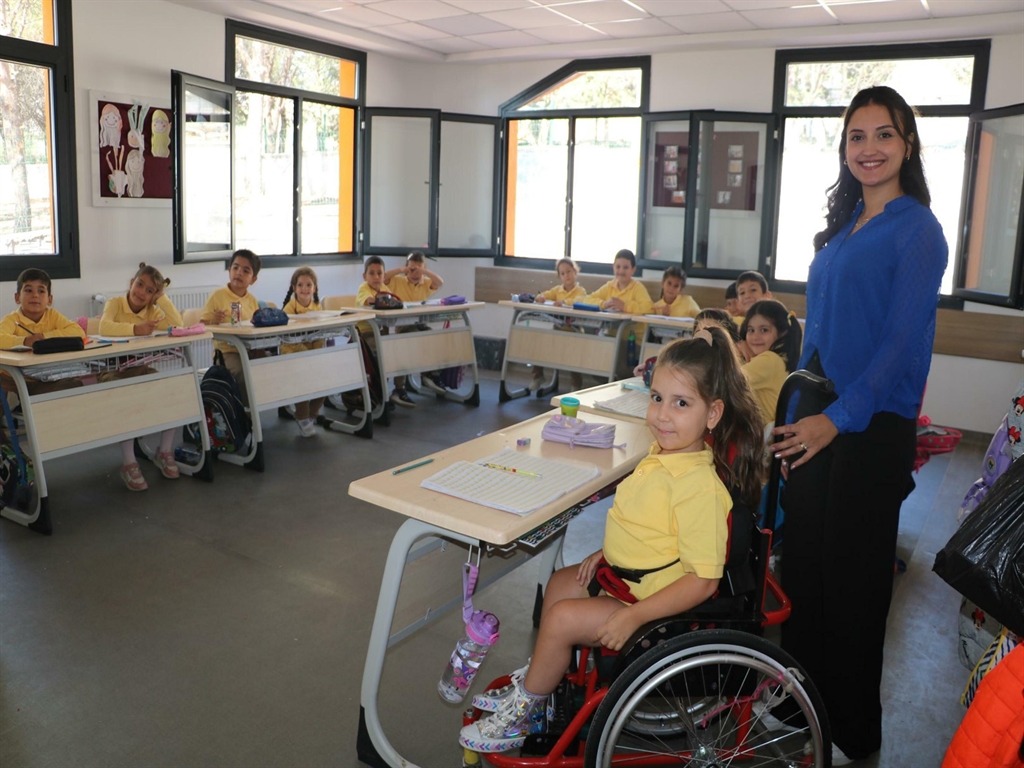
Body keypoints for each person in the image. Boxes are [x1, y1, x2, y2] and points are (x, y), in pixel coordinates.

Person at [459, 327, 765, 754]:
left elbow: (702, 581)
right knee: (562, 583)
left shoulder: (698, 488)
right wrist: (608, 551)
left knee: (561, 618)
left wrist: (634, 617)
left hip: (655, 607)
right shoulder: (665, 456)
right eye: (657, 398)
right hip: (628, 579)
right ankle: (542, 682)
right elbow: (651, 526)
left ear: (713, 414)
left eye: (681, 403)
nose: (662, 415)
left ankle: (525, 709)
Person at [771, 85, 948, 766]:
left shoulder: (918, 229)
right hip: (819, 414)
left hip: (870, 425)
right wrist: (798, 413)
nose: (869, 148)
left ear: (908, 145)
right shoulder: (845, 227)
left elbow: (900, 343)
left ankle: (853, 729)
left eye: (884, 134)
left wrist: (836, 421)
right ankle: (797, 704)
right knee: (804, 566)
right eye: (856, 136)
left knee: (853, 581)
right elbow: (818, 331)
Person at [99, 263, 184, 490]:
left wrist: (161, 298)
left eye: (149, 291)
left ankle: (164, 451)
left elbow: (178, 325)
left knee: (172, 391)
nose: (141, 292)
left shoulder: (153, 311)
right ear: (131, 283)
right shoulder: (114, 303)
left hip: (141, 368)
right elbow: (104, 327)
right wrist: (136, 330)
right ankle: (129, 462)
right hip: (112, 371)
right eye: (139, 285)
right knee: (125, 398)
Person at [384, 251, 445, 399]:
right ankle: (400, 387)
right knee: (411, 340)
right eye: (412, 269)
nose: (415, 273)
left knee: (432, 336)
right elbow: (384, 278)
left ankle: (429, 374)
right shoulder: (398, 280)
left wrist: (423, 271)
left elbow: (440, 282)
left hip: (420, 322)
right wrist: (402, 270)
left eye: (419, 270)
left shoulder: (425, 282)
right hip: (403, 325)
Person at [200, 249, 262, 387]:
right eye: (235, 268)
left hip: (250, 349)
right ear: (229, 271)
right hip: (227, 353)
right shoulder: (217, 295)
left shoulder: (252, 300)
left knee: (272, 364)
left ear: (253, 279)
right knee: (244, 371)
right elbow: (201, 325)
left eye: (246, 271)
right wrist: (213, 320)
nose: (239, 273)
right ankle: (246, 402)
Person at [738, 299, 802, 427]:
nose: (755, 337)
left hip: (759, 435)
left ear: (782, 333)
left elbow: (728, 379)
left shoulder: (769, 360)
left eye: (764, 330)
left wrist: (733, 350)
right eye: (751, 330)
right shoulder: (781, 358)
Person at [281, 266, 326, 437]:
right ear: (294, 288)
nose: (304, 289)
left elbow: (320, 335)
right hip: (292, 353)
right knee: (304, 379)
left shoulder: (318, 307)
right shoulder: (288, 309)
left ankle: (311, 415)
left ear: (315, 288)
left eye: (308, 285)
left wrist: (316, 354)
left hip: (311, 352)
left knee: (326, 379)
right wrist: (309, 355)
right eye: (300, 285)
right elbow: (288, 340)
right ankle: (302, 416)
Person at [532, 258, 586, 391]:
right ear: (559, 276)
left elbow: (579, 301)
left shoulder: (581, 291)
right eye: (562, 273)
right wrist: (540, 298)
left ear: (575, 272)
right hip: (558, 329)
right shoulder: (557, 290)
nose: (566, 275)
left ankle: (576, 385)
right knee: (540, 345)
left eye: (569, 271)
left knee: (574, 355)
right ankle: (538, 376)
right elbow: (544, 295)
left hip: (575, 331)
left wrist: (564, 302)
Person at [0, 268, 85, 351]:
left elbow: (78, 332)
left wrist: (44, 337)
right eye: (29, 290)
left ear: (49, 299)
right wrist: (25, 341)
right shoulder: (13, 319)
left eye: (41, 291)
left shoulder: (52, 315)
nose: (35, 295)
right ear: (17, 297)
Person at [584, 249, 653, 314]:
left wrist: (624, 306)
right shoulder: (609, 286)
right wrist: (604, 304)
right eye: (618, 267)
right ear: (613, 267)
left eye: (625, 267)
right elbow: (587, 299)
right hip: (610, 323)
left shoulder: (637, 287)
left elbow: (649, 308)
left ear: (633, 270)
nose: (621, 271)